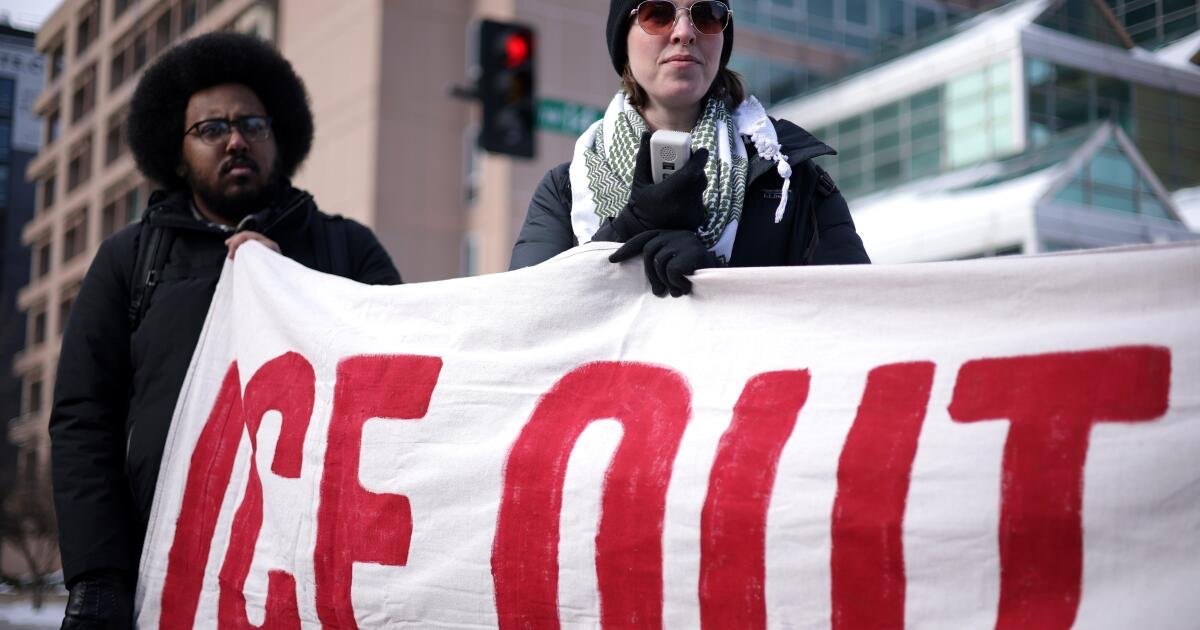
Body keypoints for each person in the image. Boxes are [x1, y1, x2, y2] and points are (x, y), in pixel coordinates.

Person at [49, 32, 400, 629]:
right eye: (211, 129)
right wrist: (99, 576)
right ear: (176, 151)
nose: (236, 140)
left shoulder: (348, 249)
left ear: (280, 137)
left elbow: (399, 384)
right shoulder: (129, 261)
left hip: (312, 577)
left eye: (252, 124)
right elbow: (84, 420)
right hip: (163, 574)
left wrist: (289, 284)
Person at [510, 0, 869, 295]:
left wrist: (715, 285)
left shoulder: (792, 178)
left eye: (707, 14)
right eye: (657, 14)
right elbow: (529, 323)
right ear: (623, 40)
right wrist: (628, 229)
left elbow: (850, 319)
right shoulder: (564, 191)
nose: (684, 32)